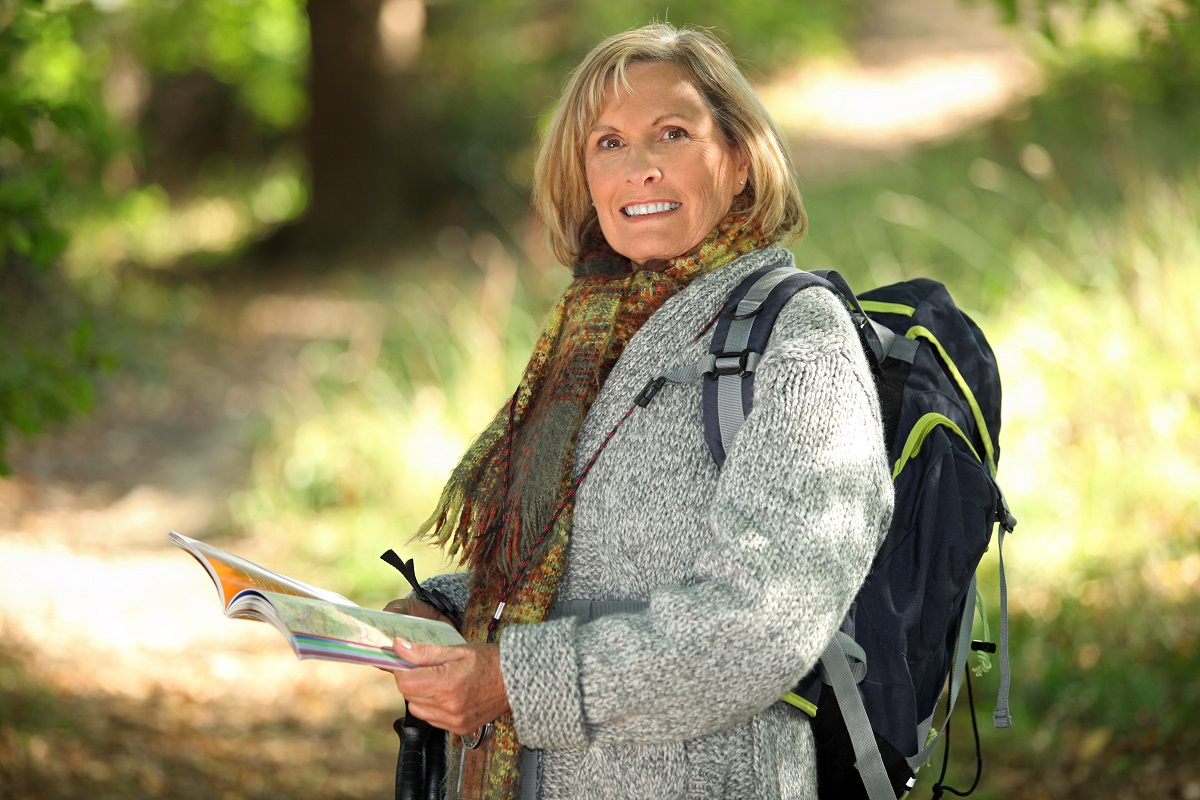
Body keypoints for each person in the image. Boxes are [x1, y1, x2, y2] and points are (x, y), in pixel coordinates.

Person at [383, 21, 893, 800]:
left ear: (741, 161)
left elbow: (763, 623)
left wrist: (512, 683)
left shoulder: (797, 337)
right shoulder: (588, 342)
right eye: (608, 144)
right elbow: (583, 562)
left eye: (673, 133)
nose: (641, 167)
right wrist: (448, 609)